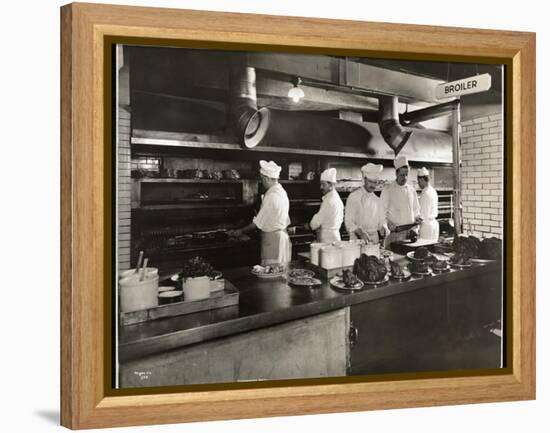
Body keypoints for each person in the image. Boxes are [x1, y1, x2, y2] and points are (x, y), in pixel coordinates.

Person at [228, 160, 292, 266]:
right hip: (282, 237)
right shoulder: (282, 192)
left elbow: (257, 223)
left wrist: (239, 232)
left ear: (266, 178)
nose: (262, 182)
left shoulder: (271, 195)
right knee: (281, 273)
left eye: (262, 179)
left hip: (273, 241)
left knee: (271, 273)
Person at [380, 155, 422, 248]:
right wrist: (387, 224)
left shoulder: (411, 190)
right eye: (402, 175)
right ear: (396, 173)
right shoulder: (388, 190)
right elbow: (381, 213)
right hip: (394, 235)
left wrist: (417, 217)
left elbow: (416, 209)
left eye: (406, 174)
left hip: (410, 234)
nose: (405, 178)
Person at [344, 163, 388, 244]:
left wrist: (383, 227)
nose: (373, 185)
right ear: (364, 179)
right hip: (357, 240)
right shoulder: (354, 196)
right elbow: (348, 222)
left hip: (374, 240)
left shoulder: (377, 200)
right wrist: (360, 232)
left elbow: (382, 220)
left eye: (375, 182)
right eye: (370, 181)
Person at [308, 168, 344, 243]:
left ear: (331, 185)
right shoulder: (337, 199)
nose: (321, 187)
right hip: (336, 236)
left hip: (327, 238)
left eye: (323, 184)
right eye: (321, 184)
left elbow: (315, 223)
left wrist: (310, 225)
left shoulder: (329, 201)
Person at [417, 167, 439, 241]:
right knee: (432, 248)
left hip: (426, 226)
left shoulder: (425, 193)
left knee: (425, 248)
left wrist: (415, 227)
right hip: (434, 225)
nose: (418, 184)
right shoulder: (433, 190)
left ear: (422, 180)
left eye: (419, 181)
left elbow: (423, 214)